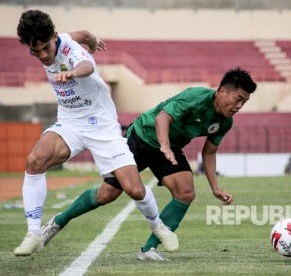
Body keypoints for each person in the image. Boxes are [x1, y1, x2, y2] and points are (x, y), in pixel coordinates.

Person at [41, 67, 257, 261]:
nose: (239, 106)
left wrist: (215, 187)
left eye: (244, 102)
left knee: (185, 192)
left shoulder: (225, 122)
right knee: (106, 195)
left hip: (167, 149)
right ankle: (59, 221)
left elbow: (209, 152)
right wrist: (164, 145)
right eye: (238, 98)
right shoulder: (195, 97)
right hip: (143, 137)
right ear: (222, 91)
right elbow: (162, 118)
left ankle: (149, 249)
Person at [13, 10, 177, 256]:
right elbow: (85, 34)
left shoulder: (69, 49)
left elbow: (87, 65)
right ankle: (33, 233)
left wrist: (72, 72)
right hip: (70, 121)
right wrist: (92, 40)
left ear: (55, 37)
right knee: (35, 160)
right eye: (35, 51)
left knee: (133, 188)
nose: (44, 56)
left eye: (47, 48)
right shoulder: (59, 39)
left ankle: (158, 226)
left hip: (101, 124)